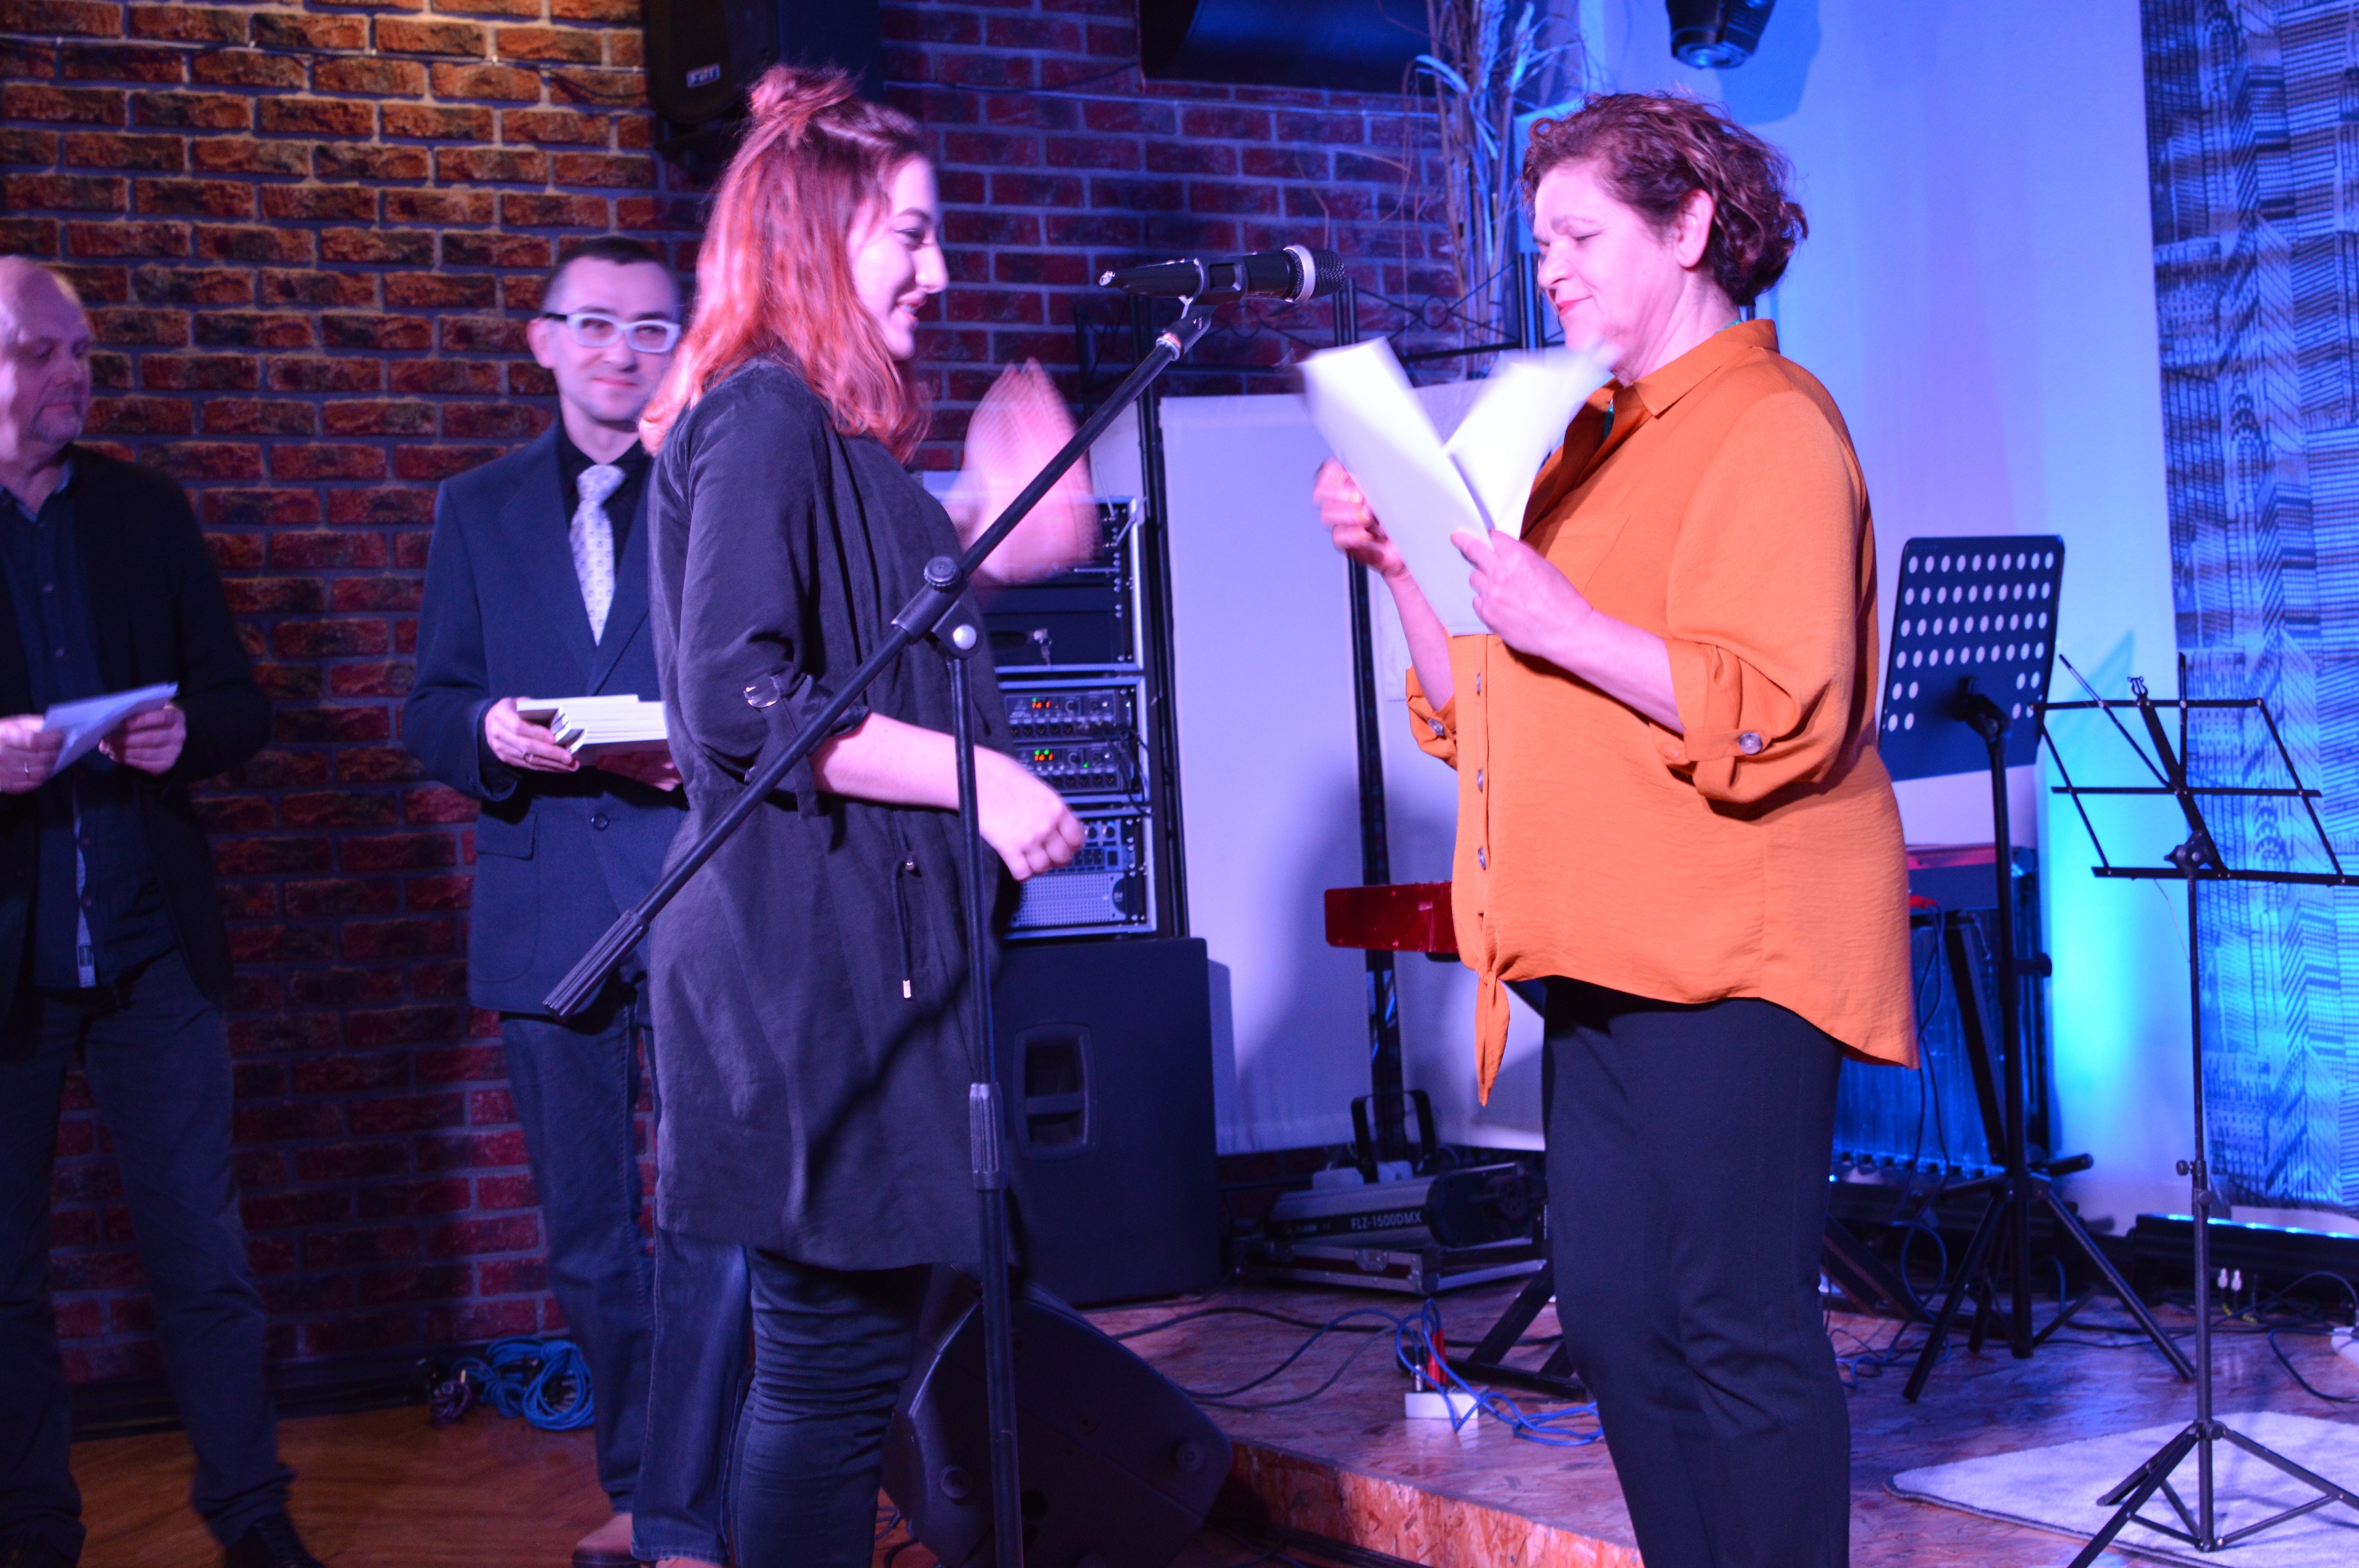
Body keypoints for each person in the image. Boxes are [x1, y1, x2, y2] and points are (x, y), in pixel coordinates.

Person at [1313, 95, 1913, 1568]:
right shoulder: (1587, 441)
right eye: (1542, 245)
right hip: (1600, 944)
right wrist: (1401, 564)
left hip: (1730, 948)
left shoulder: (1772, 424)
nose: (1553, 271)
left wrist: (1565, 622)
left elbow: (1778, 707)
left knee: (1735, 1323)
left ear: (1689, 226)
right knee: (1617, 1317)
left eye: (1579, 236)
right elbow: (1482, 700)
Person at [636, 66, 1093, 1568]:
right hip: (804, 974)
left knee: (844, 1359)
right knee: (828, 1370)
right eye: (908, 233)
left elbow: (853, 632)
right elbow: (738, 699)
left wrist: (981, 533)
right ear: (816, 237)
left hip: (849, 963)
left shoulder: (813, 431)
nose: (936, 271)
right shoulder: (762, 413)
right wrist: (982, 777)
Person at [404, 237, 748, 1568]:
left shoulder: (718, 492)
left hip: (695, 886)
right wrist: (486, 731)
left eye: (654, 329)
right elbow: (431, 706)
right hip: (544, 907)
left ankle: (708, 1494)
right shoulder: (478, 508)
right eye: (595, 324)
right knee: (591, 1232)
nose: (623, 351)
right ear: (543, 339)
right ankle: (641, 1488)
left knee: (709, 1214)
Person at [0, 259, 318, 1568]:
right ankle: (32, 1532)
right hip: (10, 962)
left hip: (152, 952)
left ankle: (252, 1516)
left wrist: (191, 734)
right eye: (42, 351)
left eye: (81, 352)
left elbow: (238, 702)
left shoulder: (145, 512)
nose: (73, 374)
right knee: (5, 1279)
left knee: (204, 1254)